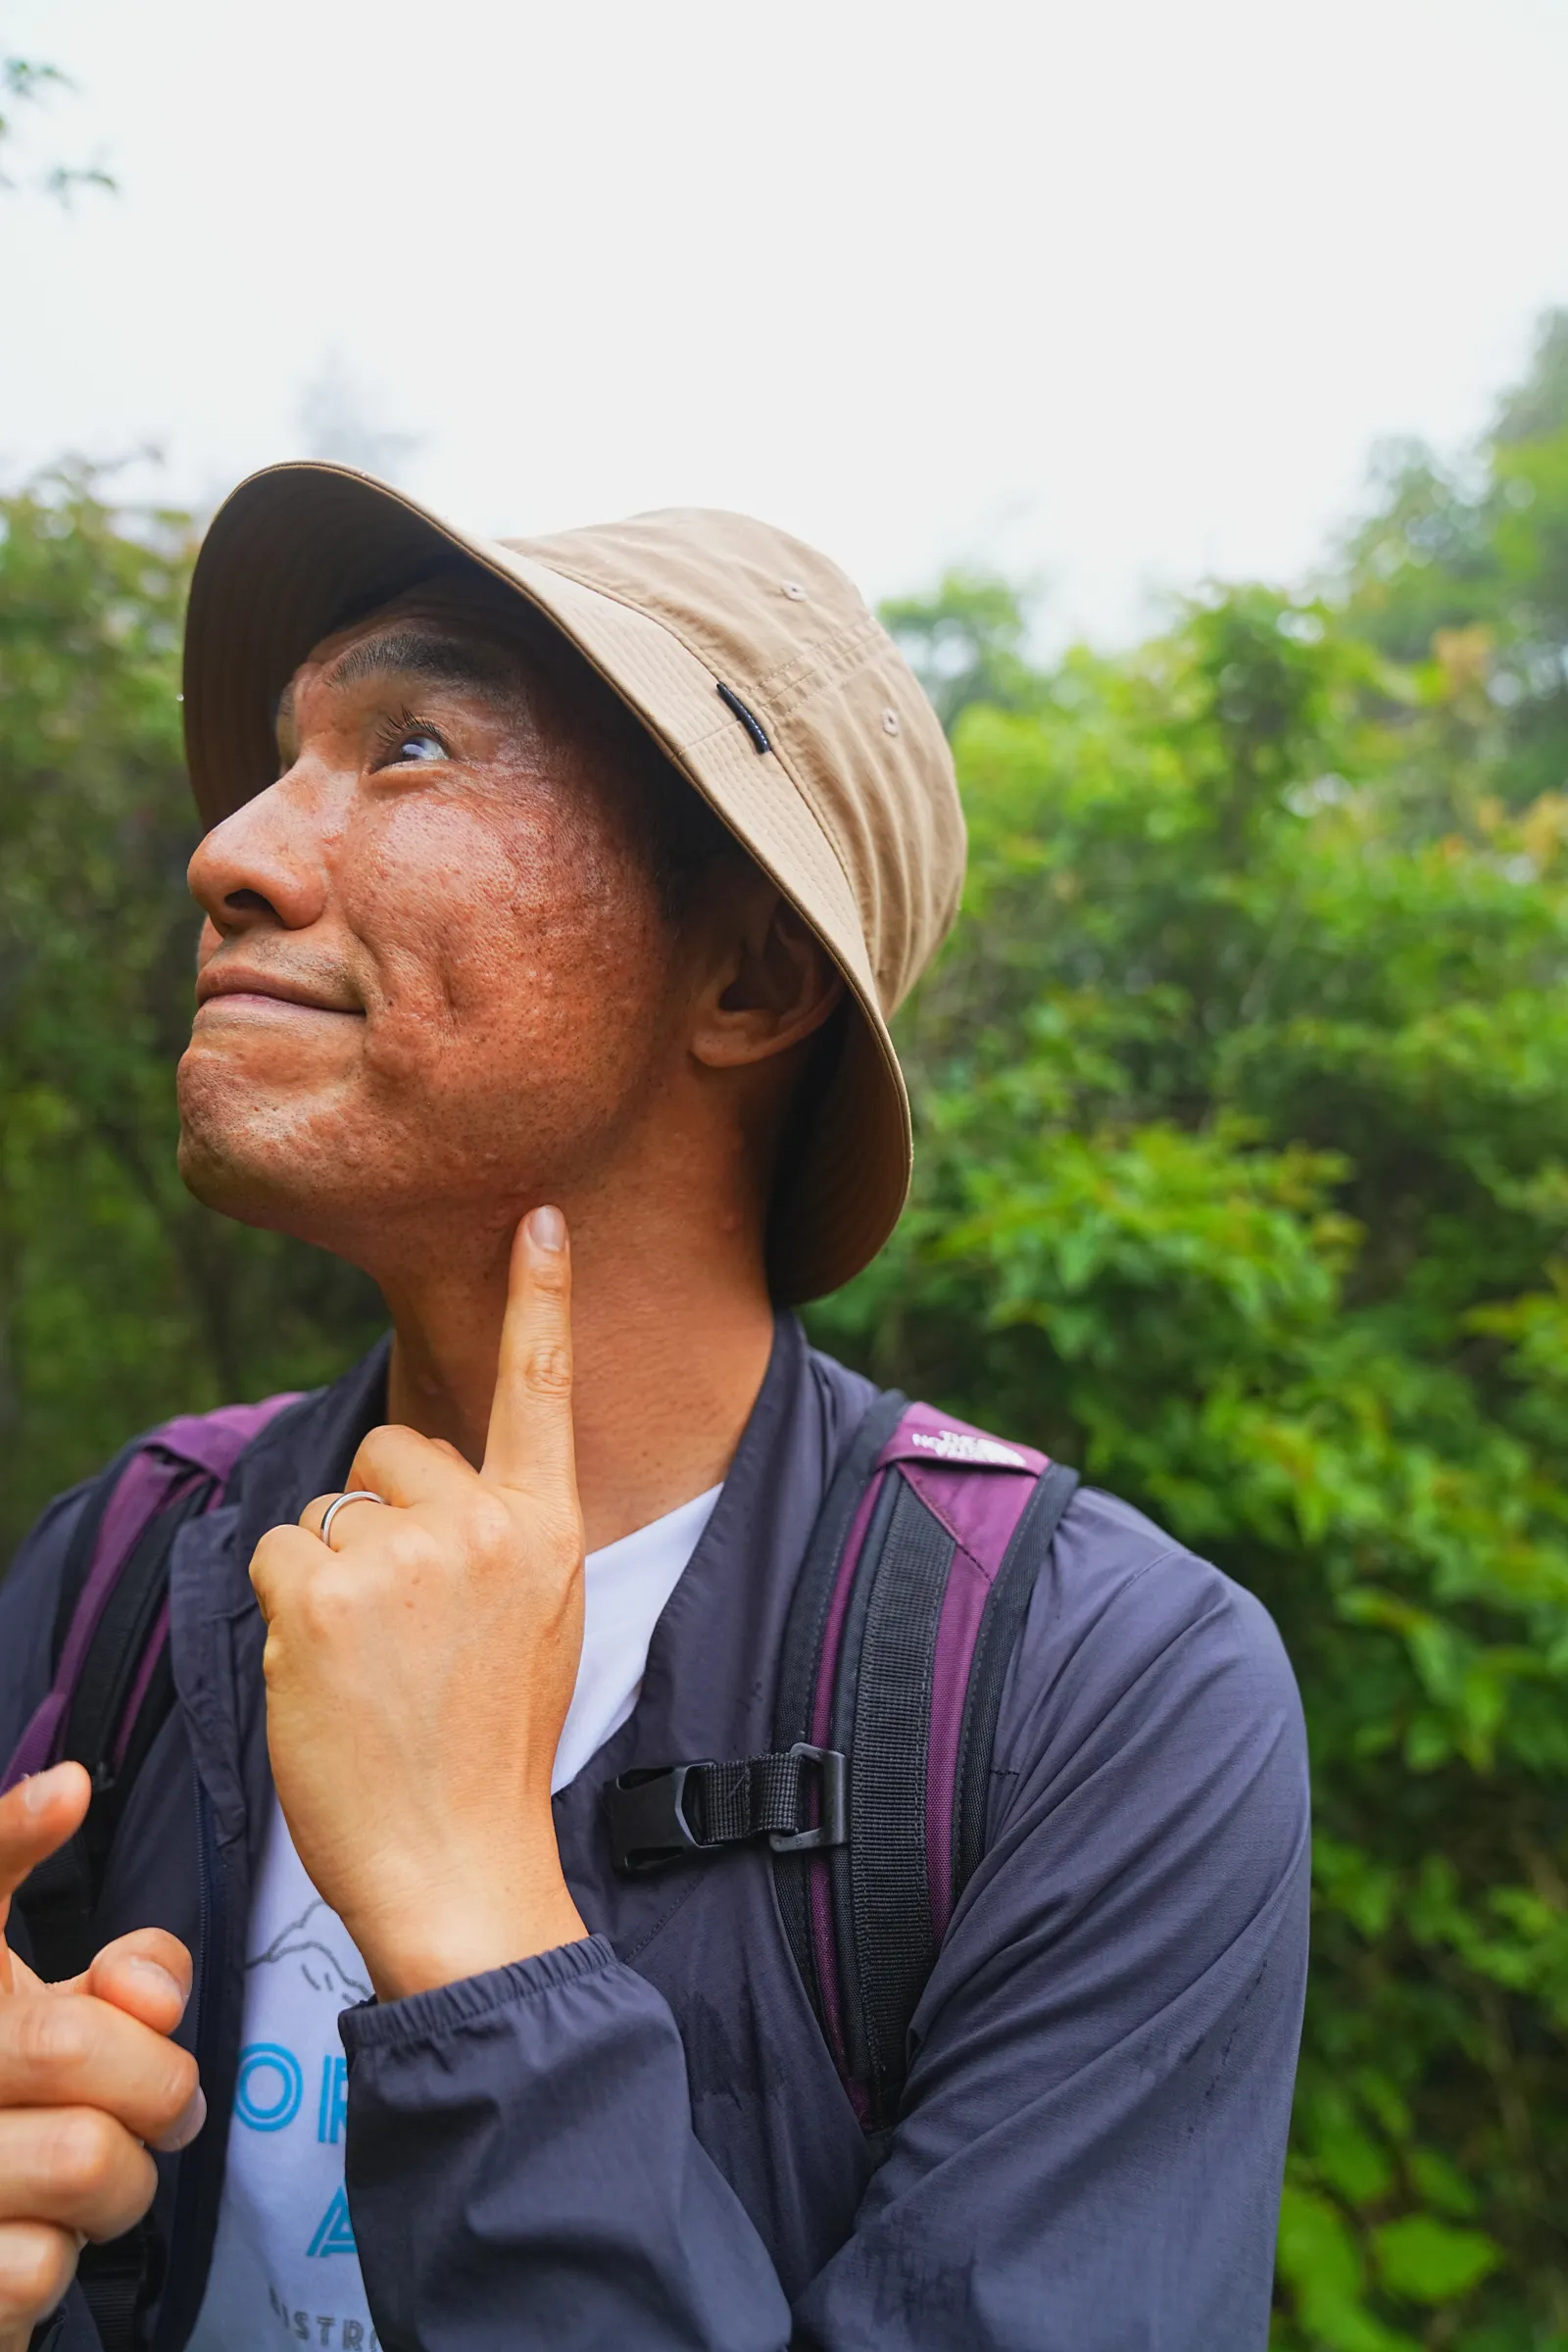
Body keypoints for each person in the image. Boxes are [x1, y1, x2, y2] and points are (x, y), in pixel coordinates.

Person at [0, 467, 1310, 2352]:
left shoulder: (1097, 1692)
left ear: (754, 971)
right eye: (284, 759)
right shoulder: (138, 1552)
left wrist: (478, 1937)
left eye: (416, 744)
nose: (232, 851)